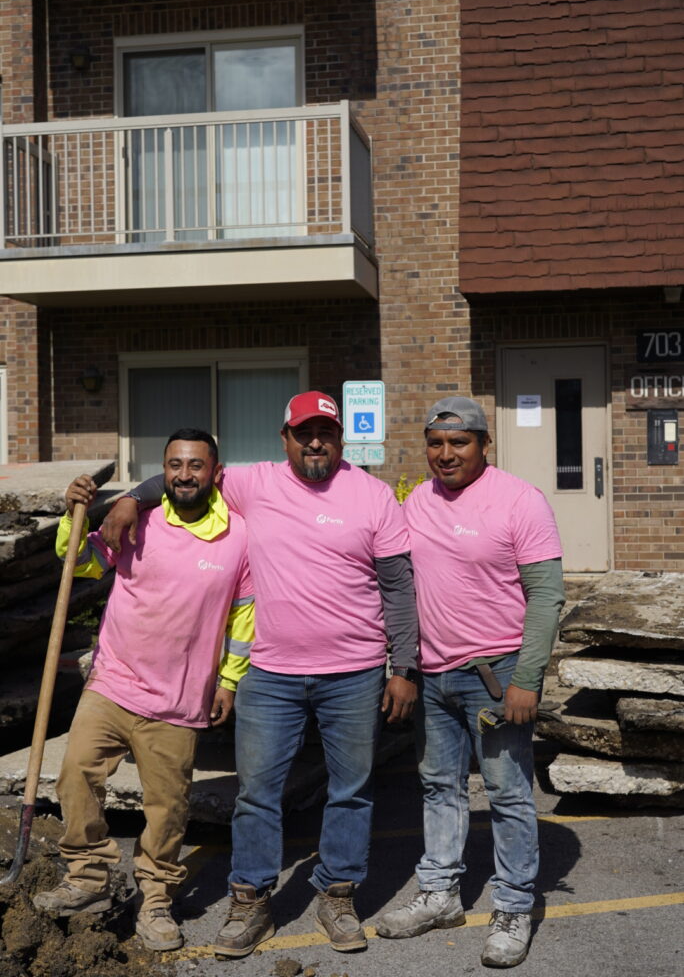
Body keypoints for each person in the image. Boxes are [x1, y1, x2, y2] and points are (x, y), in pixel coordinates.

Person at [100, 391, 420, 957]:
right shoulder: (255, 483)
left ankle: (338, 892)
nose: (314, 442)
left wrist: (405, 666)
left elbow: (397, 586)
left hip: (356, 670)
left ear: (341, 438)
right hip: (270, 674)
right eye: (303, 432)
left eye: (325, 432)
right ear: (285, 438)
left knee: (351, 791)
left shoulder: (373, 497)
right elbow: (188, 477)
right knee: (258, 794)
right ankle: (250, 901)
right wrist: (129, 498)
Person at [33, 429, 254, 954]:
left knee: (168, 808)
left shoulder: (239, 537)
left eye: (196, 465)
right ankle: (88, 877)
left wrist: (229, 681)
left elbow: (244, 616)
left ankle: (155, 900)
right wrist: (75, 516)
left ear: (215, 473)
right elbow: (82, 563)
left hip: (178, 700)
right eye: (175, 464)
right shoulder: (138, 520)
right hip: (113, 681)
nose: (184, 474)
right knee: (76, 773)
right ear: (164, 470)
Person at [376, 396, 565, 969]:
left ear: (486, 445)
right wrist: (402, 665)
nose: (445, 454)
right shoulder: (416, 502)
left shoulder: (519, 501)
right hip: (433, 675)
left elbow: (547, 597)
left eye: (459, 443)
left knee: (508, 792)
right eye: (435, 443)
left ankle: (512, 905)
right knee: (439, 786)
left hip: (497, 674)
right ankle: (440, 893)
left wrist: (527, 679)